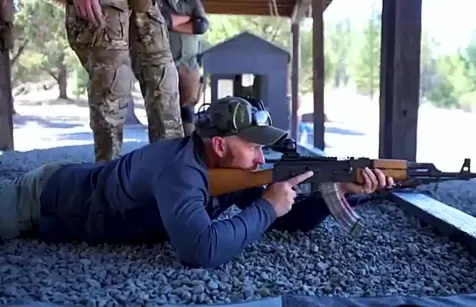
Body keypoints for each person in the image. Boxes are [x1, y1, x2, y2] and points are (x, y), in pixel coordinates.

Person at [0, 96, 394, 269]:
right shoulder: (179, 170)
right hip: (40, 198)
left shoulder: (231, 171)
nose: (261, 157)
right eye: (254, 147)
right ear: (220, 144)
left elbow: (286, 219)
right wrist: (267, 205)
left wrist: (339, 192)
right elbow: (200, 251)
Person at [64, 0, 185, 162]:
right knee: (112, 86)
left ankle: (171, 173)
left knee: (165, 84)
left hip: (145, 6)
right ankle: (106, 176)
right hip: (105, 5)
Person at [159, 0, 208, 135]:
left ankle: (188, 147)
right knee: (164, 111)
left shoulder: (192, 2)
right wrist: (186, 21)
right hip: (163, 64)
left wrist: (171, 24)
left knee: (187, 111)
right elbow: (156, 23)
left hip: (189, 64)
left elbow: (201, 26)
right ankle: (166, 148)